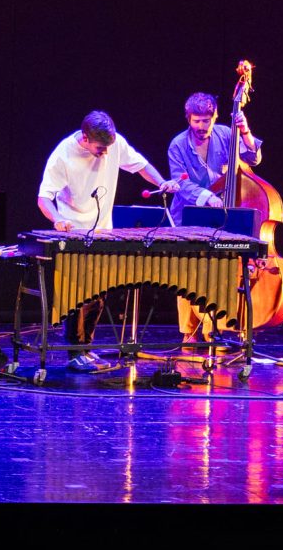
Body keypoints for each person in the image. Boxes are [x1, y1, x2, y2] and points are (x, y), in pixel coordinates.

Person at [36, 111, 180, 366]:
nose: (104, 153)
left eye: (107, 148)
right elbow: (43, 198)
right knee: (77, 295)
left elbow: (141, 165)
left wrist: (161, 182)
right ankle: (75, 352)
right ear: (85, 137)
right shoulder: (62, 155)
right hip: (74, 233)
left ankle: (86, 347)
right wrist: (57, 219)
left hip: (103, 232)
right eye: (100, 148)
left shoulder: (115, 143)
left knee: (97, 295)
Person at [165, 92, 263, 223]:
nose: (201, 127)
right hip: (187, 215)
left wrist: (245, 131)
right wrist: (208, 197)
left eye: (206, 121)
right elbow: (181, 183)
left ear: (215, 117)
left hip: (222, 212)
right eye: (196, 121)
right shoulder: (177, 145)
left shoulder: (225, 134)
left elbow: (253, 159)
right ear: (189, 120)